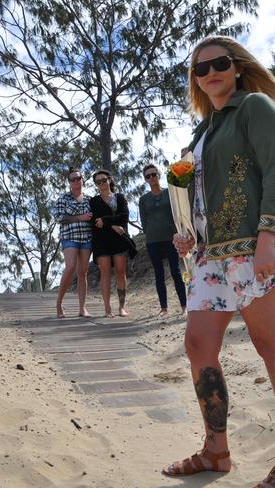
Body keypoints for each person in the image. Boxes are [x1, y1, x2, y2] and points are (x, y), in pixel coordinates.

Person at [161, 36, 275, 488]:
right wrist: (187, 231)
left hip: (252, 249)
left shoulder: (255, 107)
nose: (210, 72)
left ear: (237, 66)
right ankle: (216, 450)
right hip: (210, 257)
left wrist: (269, 232)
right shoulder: (203, 132)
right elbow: (201, 194)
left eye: (219, 63)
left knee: (271, 349)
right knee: (198, 346)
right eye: (199, 68)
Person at [138, 164, 187, 317]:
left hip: (171, 238)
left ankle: (184, 306)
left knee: (176, 271)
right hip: (153, 240)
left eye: (154, 174)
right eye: (148, 176)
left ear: (159, 175)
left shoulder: (170, 193)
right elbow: (144, 222)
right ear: (145, 180)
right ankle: (164, 308)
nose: (151, 178)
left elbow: (178, 213)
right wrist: (151, 232)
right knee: (159, 273)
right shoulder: (143, 199)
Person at [89, 170, 134, 318]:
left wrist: (107, 222)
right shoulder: (93, 201)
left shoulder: (119, 198)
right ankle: (107, 308)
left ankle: (121, 307)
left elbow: (125, 217)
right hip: (101, 241)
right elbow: (95, 222)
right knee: (105, 273)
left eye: (103, 180)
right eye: (98, 182)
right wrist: (113, 225)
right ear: (96, 184)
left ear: (109, 180)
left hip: (119, 240)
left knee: (121, 271)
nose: (101, 183)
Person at [55, 167, 93, 318]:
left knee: (83, 272)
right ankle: (58, 303)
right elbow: (59, 218)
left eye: (79, 178)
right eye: (73, 179)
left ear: (82, 180)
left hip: (86, 238)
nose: (77, 181)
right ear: (69, 182)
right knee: (70, 267)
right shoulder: (63, 199)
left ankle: (82, 308)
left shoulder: (90, 200)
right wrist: (80, 217)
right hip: (69, 237)